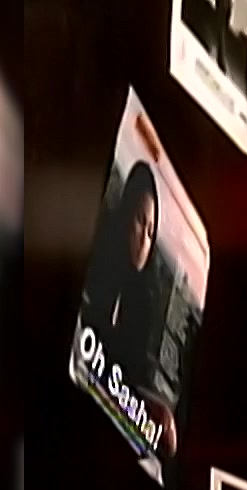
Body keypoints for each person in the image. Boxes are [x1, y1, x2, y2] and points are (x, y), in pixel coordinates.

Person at [80, 159, 177, 458]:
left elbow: (135, 373)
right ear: (125, 213)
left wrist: (158, 411)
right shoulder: (97, 259)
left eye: (151, 231)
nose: (143, 240)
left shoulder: (143, 302)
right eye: (139, 220)